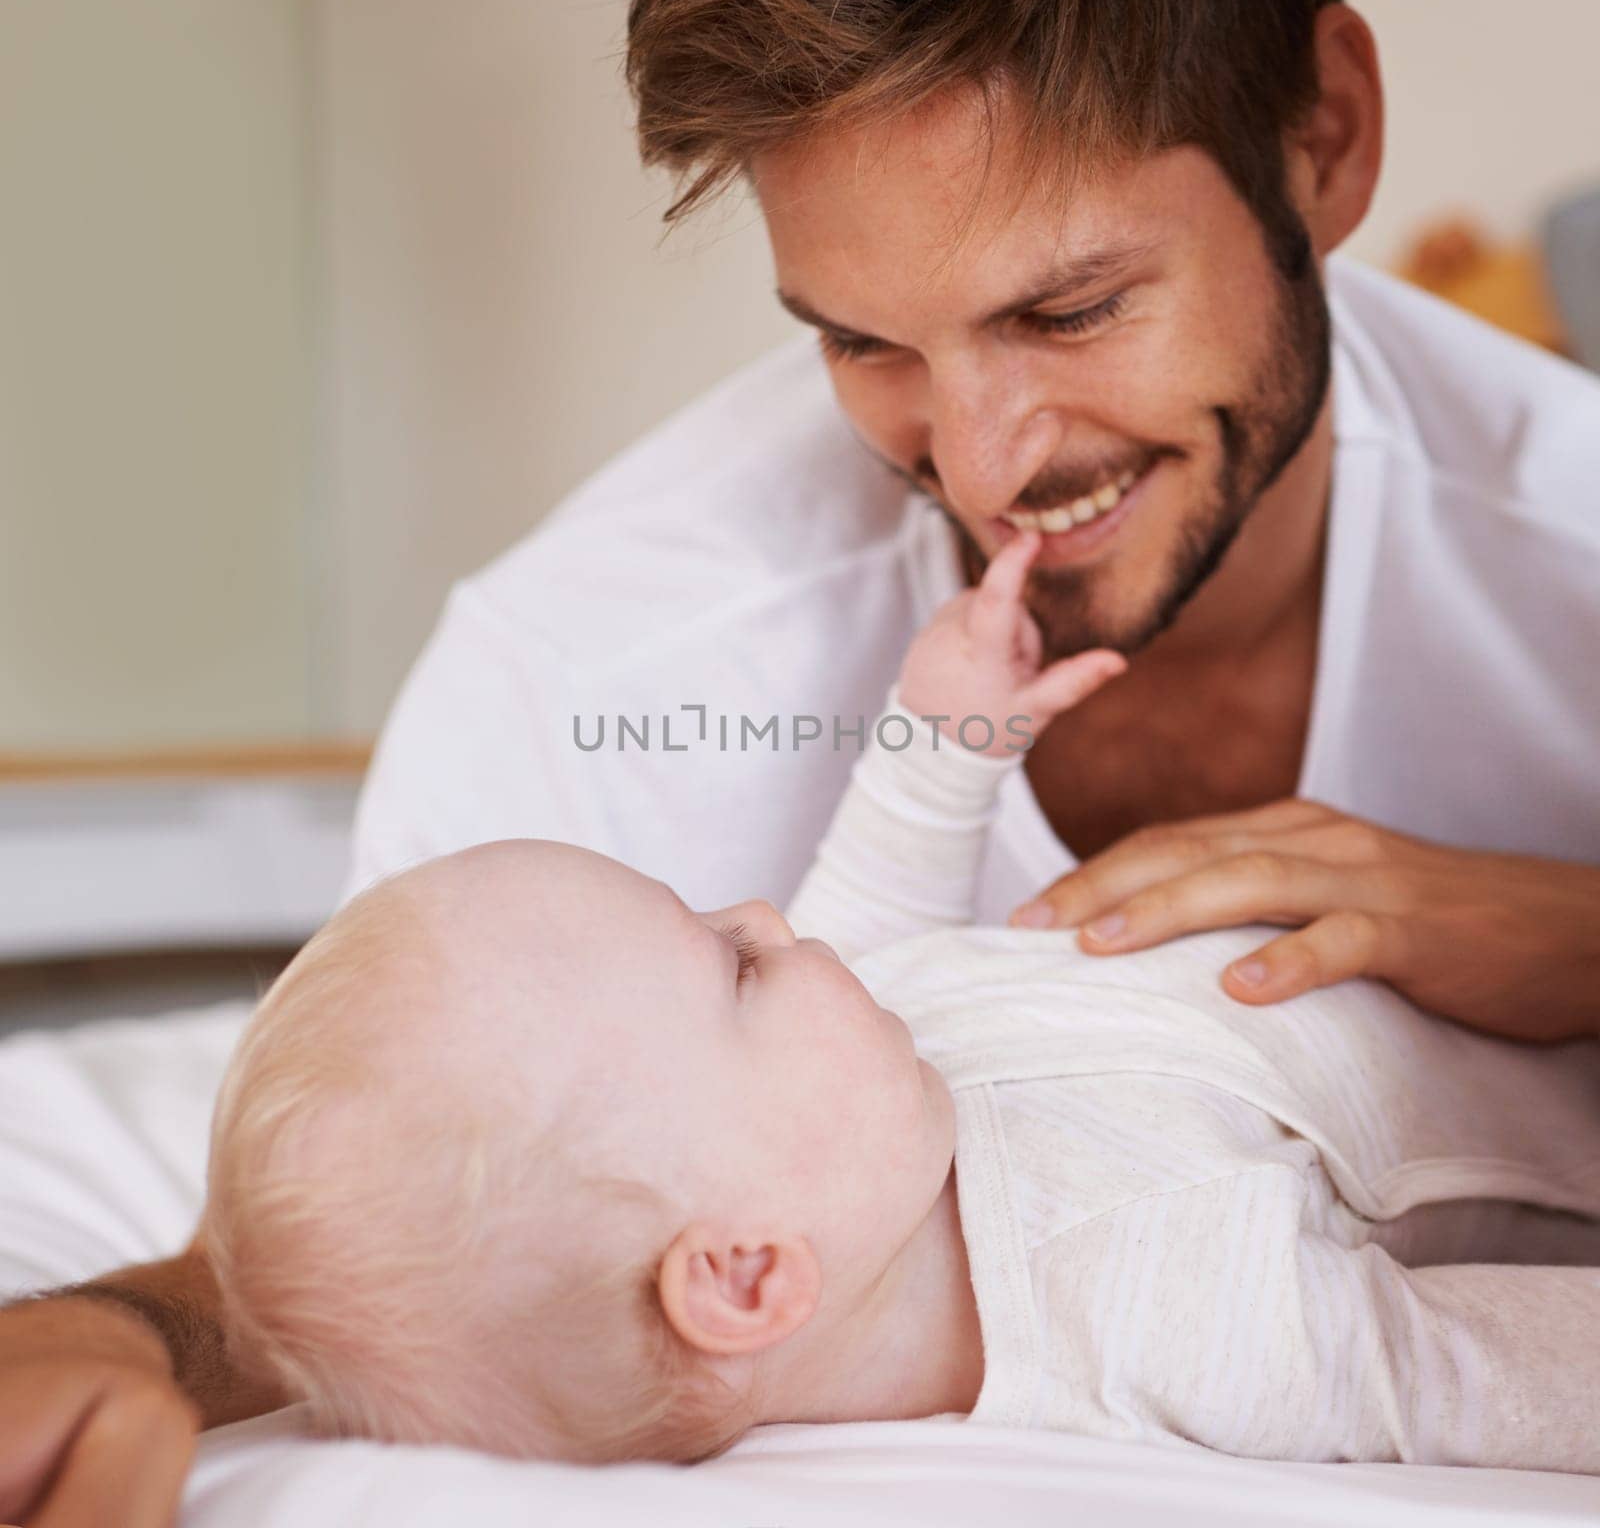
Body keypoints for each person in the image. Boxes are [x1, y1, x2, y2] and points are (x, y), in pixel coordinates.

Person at [4, 0, 1598, 1522]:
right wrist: (101, 1339)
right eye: (863, 341)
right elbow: (424, 1252)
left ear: (1324, 135)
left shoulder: (1567, 551)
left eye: (1073, 308)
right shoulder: (583, 677)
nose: (980, 468)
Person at [201, 534, 1600, 1473]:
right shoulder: (1144, 1304)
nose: (763, 916)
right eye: (731, 965)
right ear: (747, 1275)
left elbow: (869, 896)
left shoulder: (848, 1114)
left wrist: (945, 737)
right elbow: (1463, 1372)